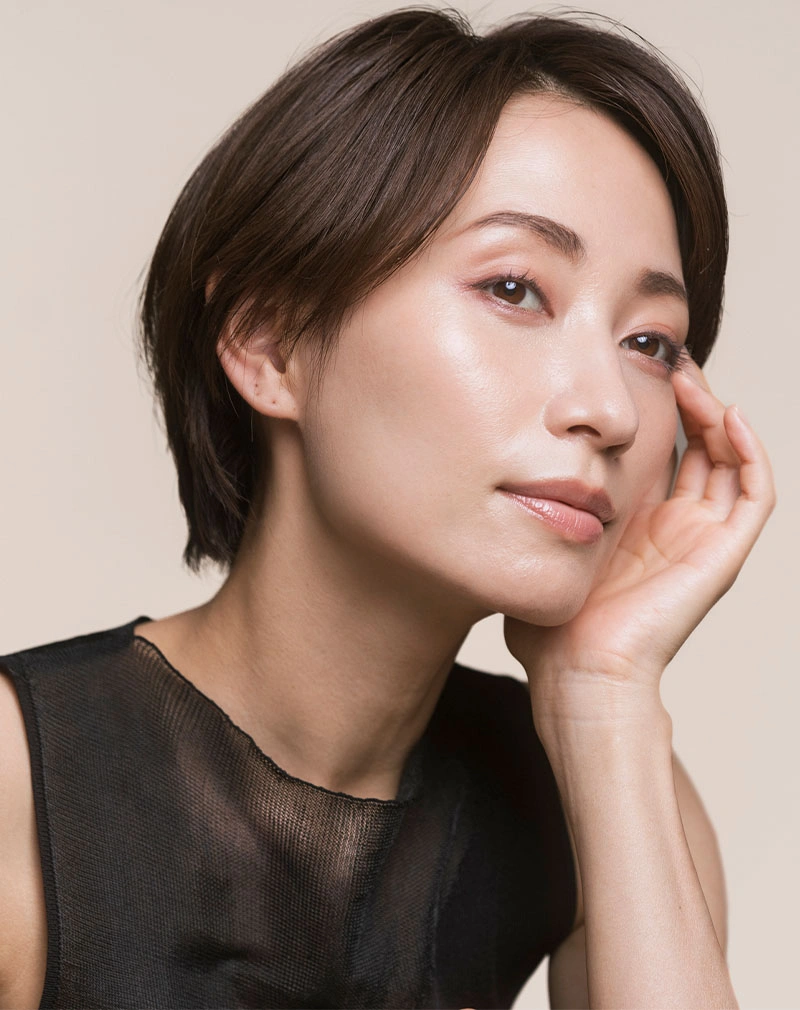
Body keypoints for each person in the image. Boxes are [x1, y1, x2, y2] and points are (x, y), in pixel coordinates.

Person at [0, 6, 775, 1008]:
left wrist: (604, 691)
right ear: (271, 342)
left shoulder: (610, 791)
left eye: (650, 343)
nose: (607, 409)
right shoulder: (25, 783)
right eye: (514, 287)